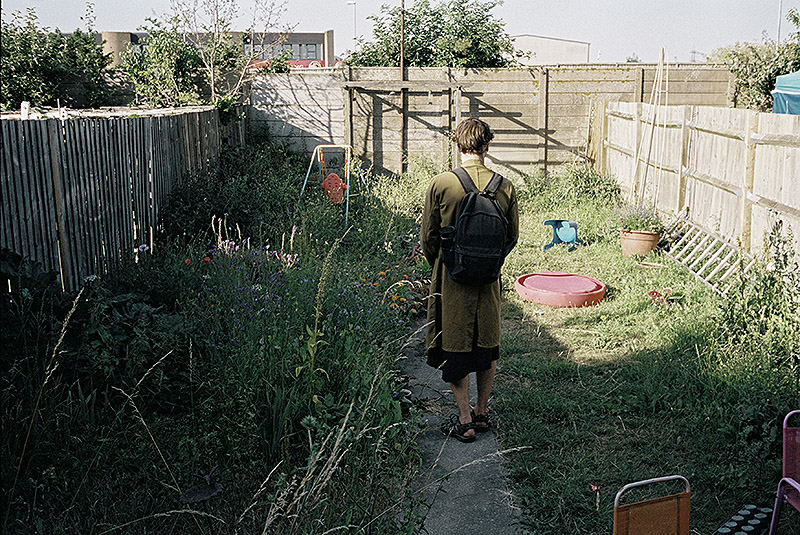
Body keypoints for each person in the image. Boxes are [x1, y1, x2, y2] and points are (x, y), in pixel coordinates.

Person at [420, 118, 519, 442]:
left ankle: (463, 419)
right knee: (487, 345)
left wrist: (445, 263)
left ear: (457, 145)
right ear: (487, 146)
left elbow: (428, 238)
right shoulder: (505, 186)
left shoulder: (441, 183)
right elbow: (512, 237)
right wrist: (488, 261)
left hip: (452, 278)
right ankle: (481, 412)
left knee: (455, 344)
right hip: (489, 280)